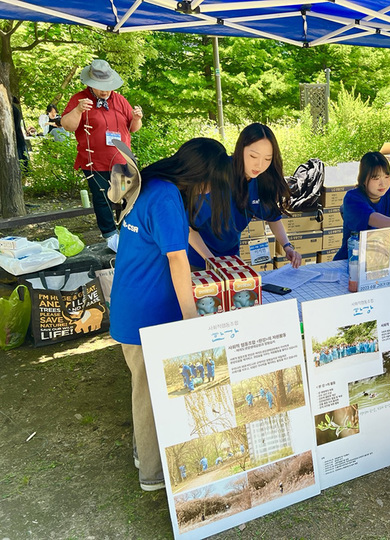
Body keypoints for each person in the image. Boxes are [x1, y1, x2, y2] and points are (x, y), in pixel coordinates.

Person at [109, 138, 232, 491]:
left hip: (134, 304)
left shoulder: (156, 186)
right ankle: (152, 473)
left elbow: (185, 233)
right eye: (210, 182)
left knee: (144, 388)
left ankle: (141, 453)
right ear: (199, 174)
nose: (209, 190)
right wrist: (192, 320)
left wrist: (214, 262)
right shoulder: (165, 195)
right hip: (145, 312)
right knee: (148, 393)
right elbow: (177, 258)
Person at [188, 123, 301, 269]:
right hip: (198, 259)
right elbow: (189, 229)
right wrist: (211, 261)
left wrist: (287, 247)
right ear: (240, 149)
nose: (259, 165)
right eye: (253, 156)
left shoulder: (262, 179)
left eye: (267, 159)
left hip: (231, 258)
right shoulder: (217, 175)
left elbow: (272, 216)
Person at [62, 59, 144, 252]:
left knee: (126, 196)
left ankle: (128, 232)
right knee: (102, 198)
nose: (105, 91)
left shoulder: (120, 100)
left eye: (107, 87)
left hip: (121, 160)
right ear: (90, 84)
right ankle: (110, 236)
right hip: (94, 162)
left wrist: (137, 118)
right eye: (100, 87)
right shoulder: (79, 99)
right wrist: (78, 110)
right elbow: (67, 125)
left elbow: (132, 128)